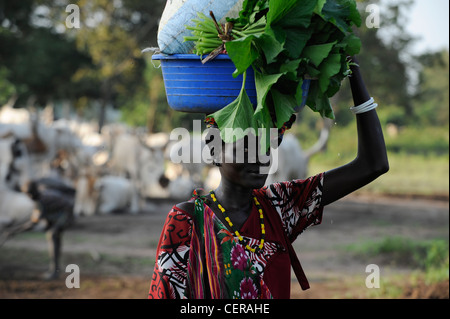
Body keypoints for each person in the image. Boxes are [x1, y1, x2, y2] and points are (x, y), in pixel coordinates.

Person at [148, 56, 389, 299]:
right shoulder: (187, 221)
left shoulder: (279, 207)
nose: (259, 158)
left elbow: (373, 165)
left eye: (266, 146)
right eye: (245, 147)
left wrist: (353, 70)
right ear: (214, 148)